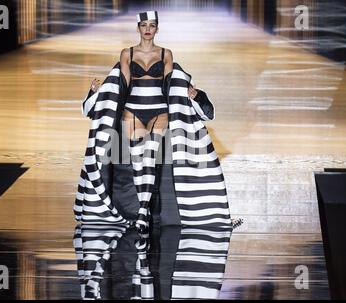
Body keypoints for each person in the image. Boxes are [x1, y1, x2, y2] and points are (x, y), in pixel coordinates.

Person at [75, 10, 241, 232]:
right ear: (138, 28)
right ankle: (144, 211)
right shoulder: (127, 53)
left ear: (157, 28)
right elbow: (121, 84)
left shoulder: (166, 54)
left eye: (152, 25)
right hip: (132, 110)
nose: (147, 29)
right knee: (137, 157)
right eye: (144, 25)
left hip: (159, 110)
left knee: (150, 155)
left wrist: (190, 96)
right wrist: (100, 92)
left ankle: (143, 212)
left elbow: (170, 83)